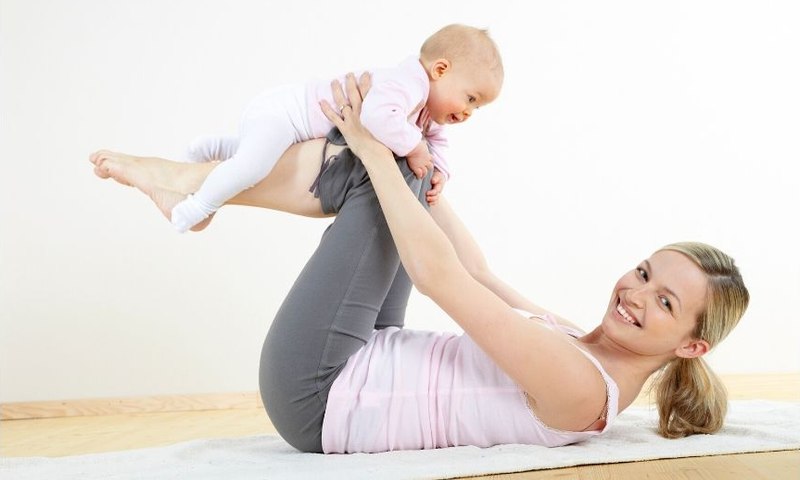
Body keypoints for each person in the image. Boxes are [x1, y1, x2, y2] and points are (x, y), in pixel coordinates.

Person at [89, 74, 748, 454]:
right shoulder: (583, 346)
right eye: (644, 272)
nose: (636, 293)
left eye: (664, 302)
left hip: (319, 393)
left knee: (382, 170)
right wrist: (427, 182)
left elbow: (442, 280)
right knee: (401, 174)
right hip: (366, 356)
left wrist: (382, 154)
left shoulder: (581, 390)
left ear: (691, 343)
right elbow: (481, 274)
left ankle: (194, 186)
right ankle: (198, 186)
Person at [169, 23, 503, 233]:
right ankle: (198, 207)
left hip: (289, 127)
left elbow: (435, 141)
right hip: (285, 112)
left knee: (265, 155)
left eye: (478, 106)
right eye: (470, 98)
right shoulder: (407, 83)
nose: (470, 112)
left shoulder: (426, 110)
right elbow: (378, 117)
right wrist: (415, 149)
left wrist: (439, 169)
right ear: (440, 69)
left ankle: (213, 147)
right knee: (255, 167)